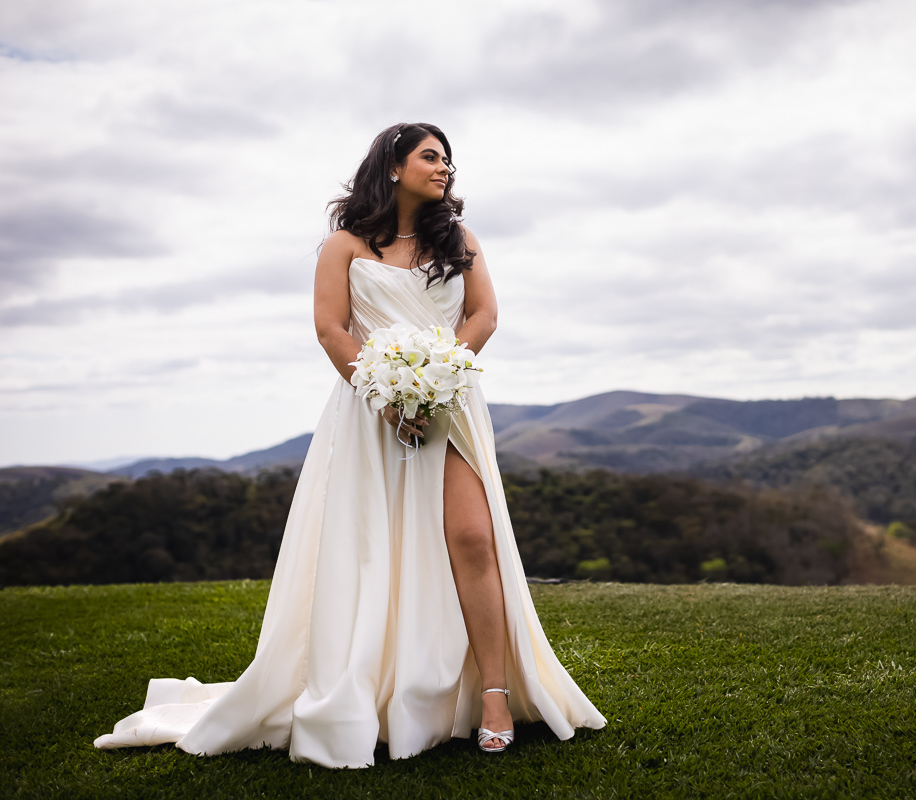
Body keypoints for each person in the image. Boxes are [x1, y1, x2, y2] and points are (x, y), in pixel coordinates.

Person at [93, 122, 607, 767]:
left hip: (451, 408)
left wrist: (437, 378)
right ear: (393, 166)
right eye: (430, 156)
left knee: (473, 539)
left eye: (448, 160)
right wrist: (387, 395)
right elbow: (331, 329)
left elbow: (484, 315)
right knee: (374, 552)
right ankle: (378, 689)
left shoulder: (460, 239)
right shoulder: (343, 245)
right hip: (370, 410)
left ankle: (496, 695)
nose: (444, 168)